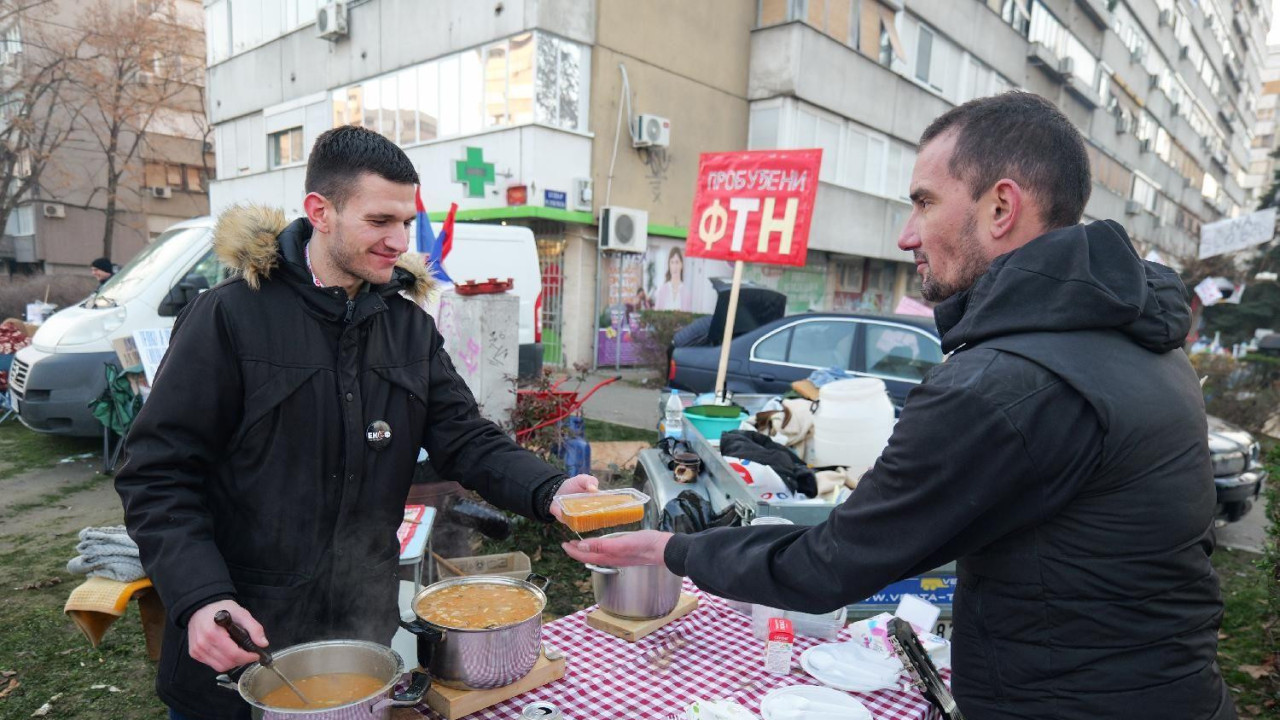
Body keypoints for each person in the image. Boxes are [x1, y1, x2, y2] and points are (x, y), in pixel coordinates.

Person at [565, 92, 1233, 719]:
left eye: (924, 202)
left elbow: (830, 564)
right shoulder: (1142, 341)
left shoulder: (1005, 382)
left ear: (1001, 208)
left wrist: (674, 549)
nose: (906, 236)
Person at [115, 125, 598, 720]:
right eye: (379, 221)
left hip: (361, 627)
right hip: (243, 632)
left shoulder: (408, 328)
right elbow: (157, 473)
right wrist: (199, 597)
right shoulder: (229, 318)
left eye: (406, 221)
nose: (400, 241)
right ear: (320, 211)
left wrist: (548, 490)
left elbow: (465, 437)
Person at [653, 246, 691, 311]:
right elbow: (656, 316)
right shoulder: (662, 290)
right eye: (672, 262)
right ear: (669, 265)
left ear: (681, 265)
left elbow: (688, 319)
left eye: (677, 262)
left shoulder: (686, 293)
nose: (674, 266)